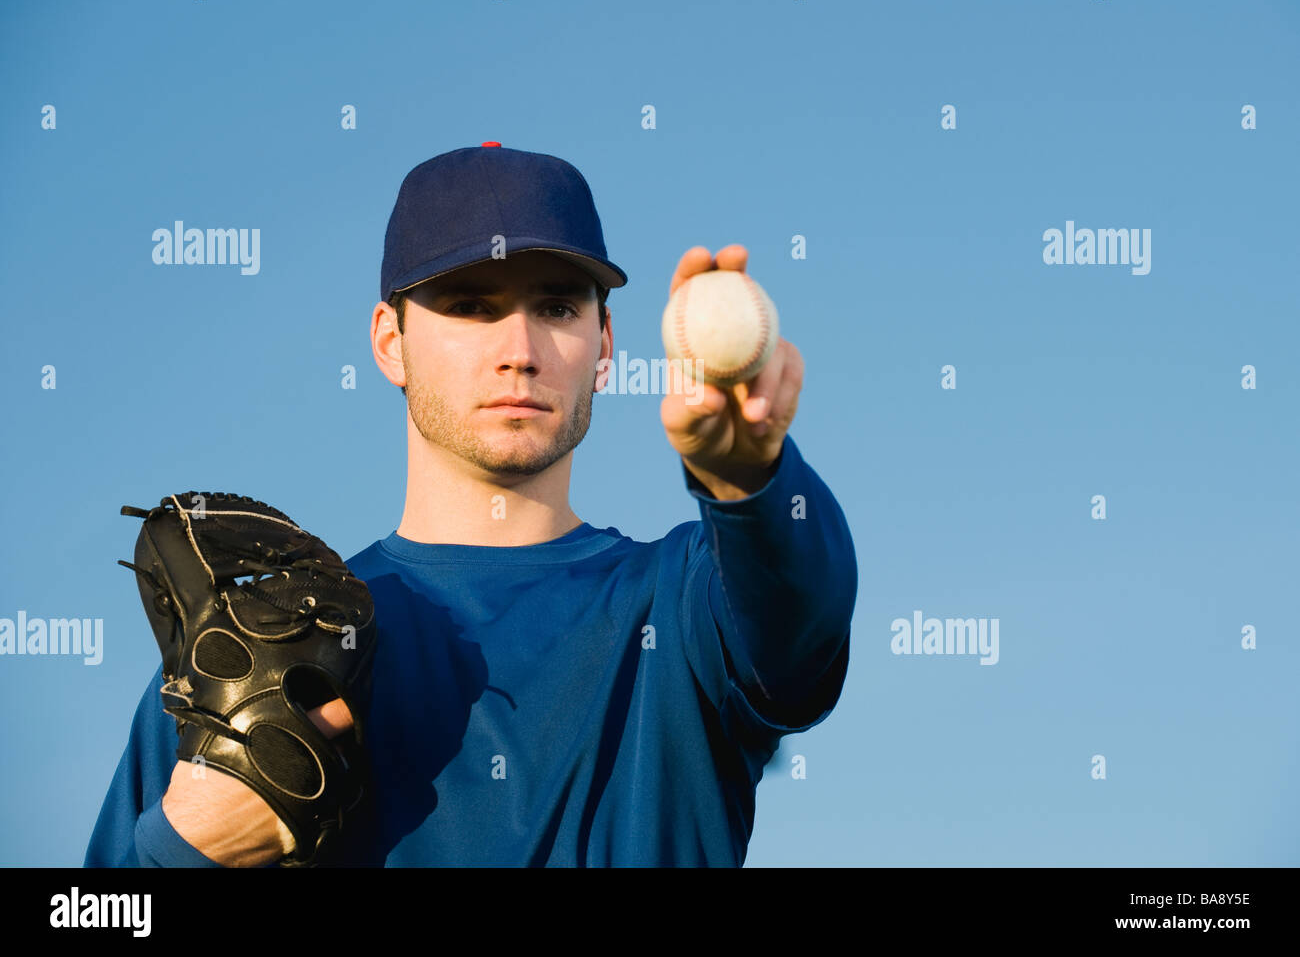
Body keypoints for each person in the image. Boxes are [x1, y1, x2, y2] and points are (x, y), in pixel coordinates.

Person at [85, 143, 857, 867]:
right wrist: (182, 851)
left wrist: (749, 479)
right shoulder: (250, 657)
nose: (520, 347)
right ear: (391, 342)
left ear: (606, 344)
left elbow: (802, 629)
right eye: (471, 305)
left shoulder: (687, 608)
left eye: (557, 308)